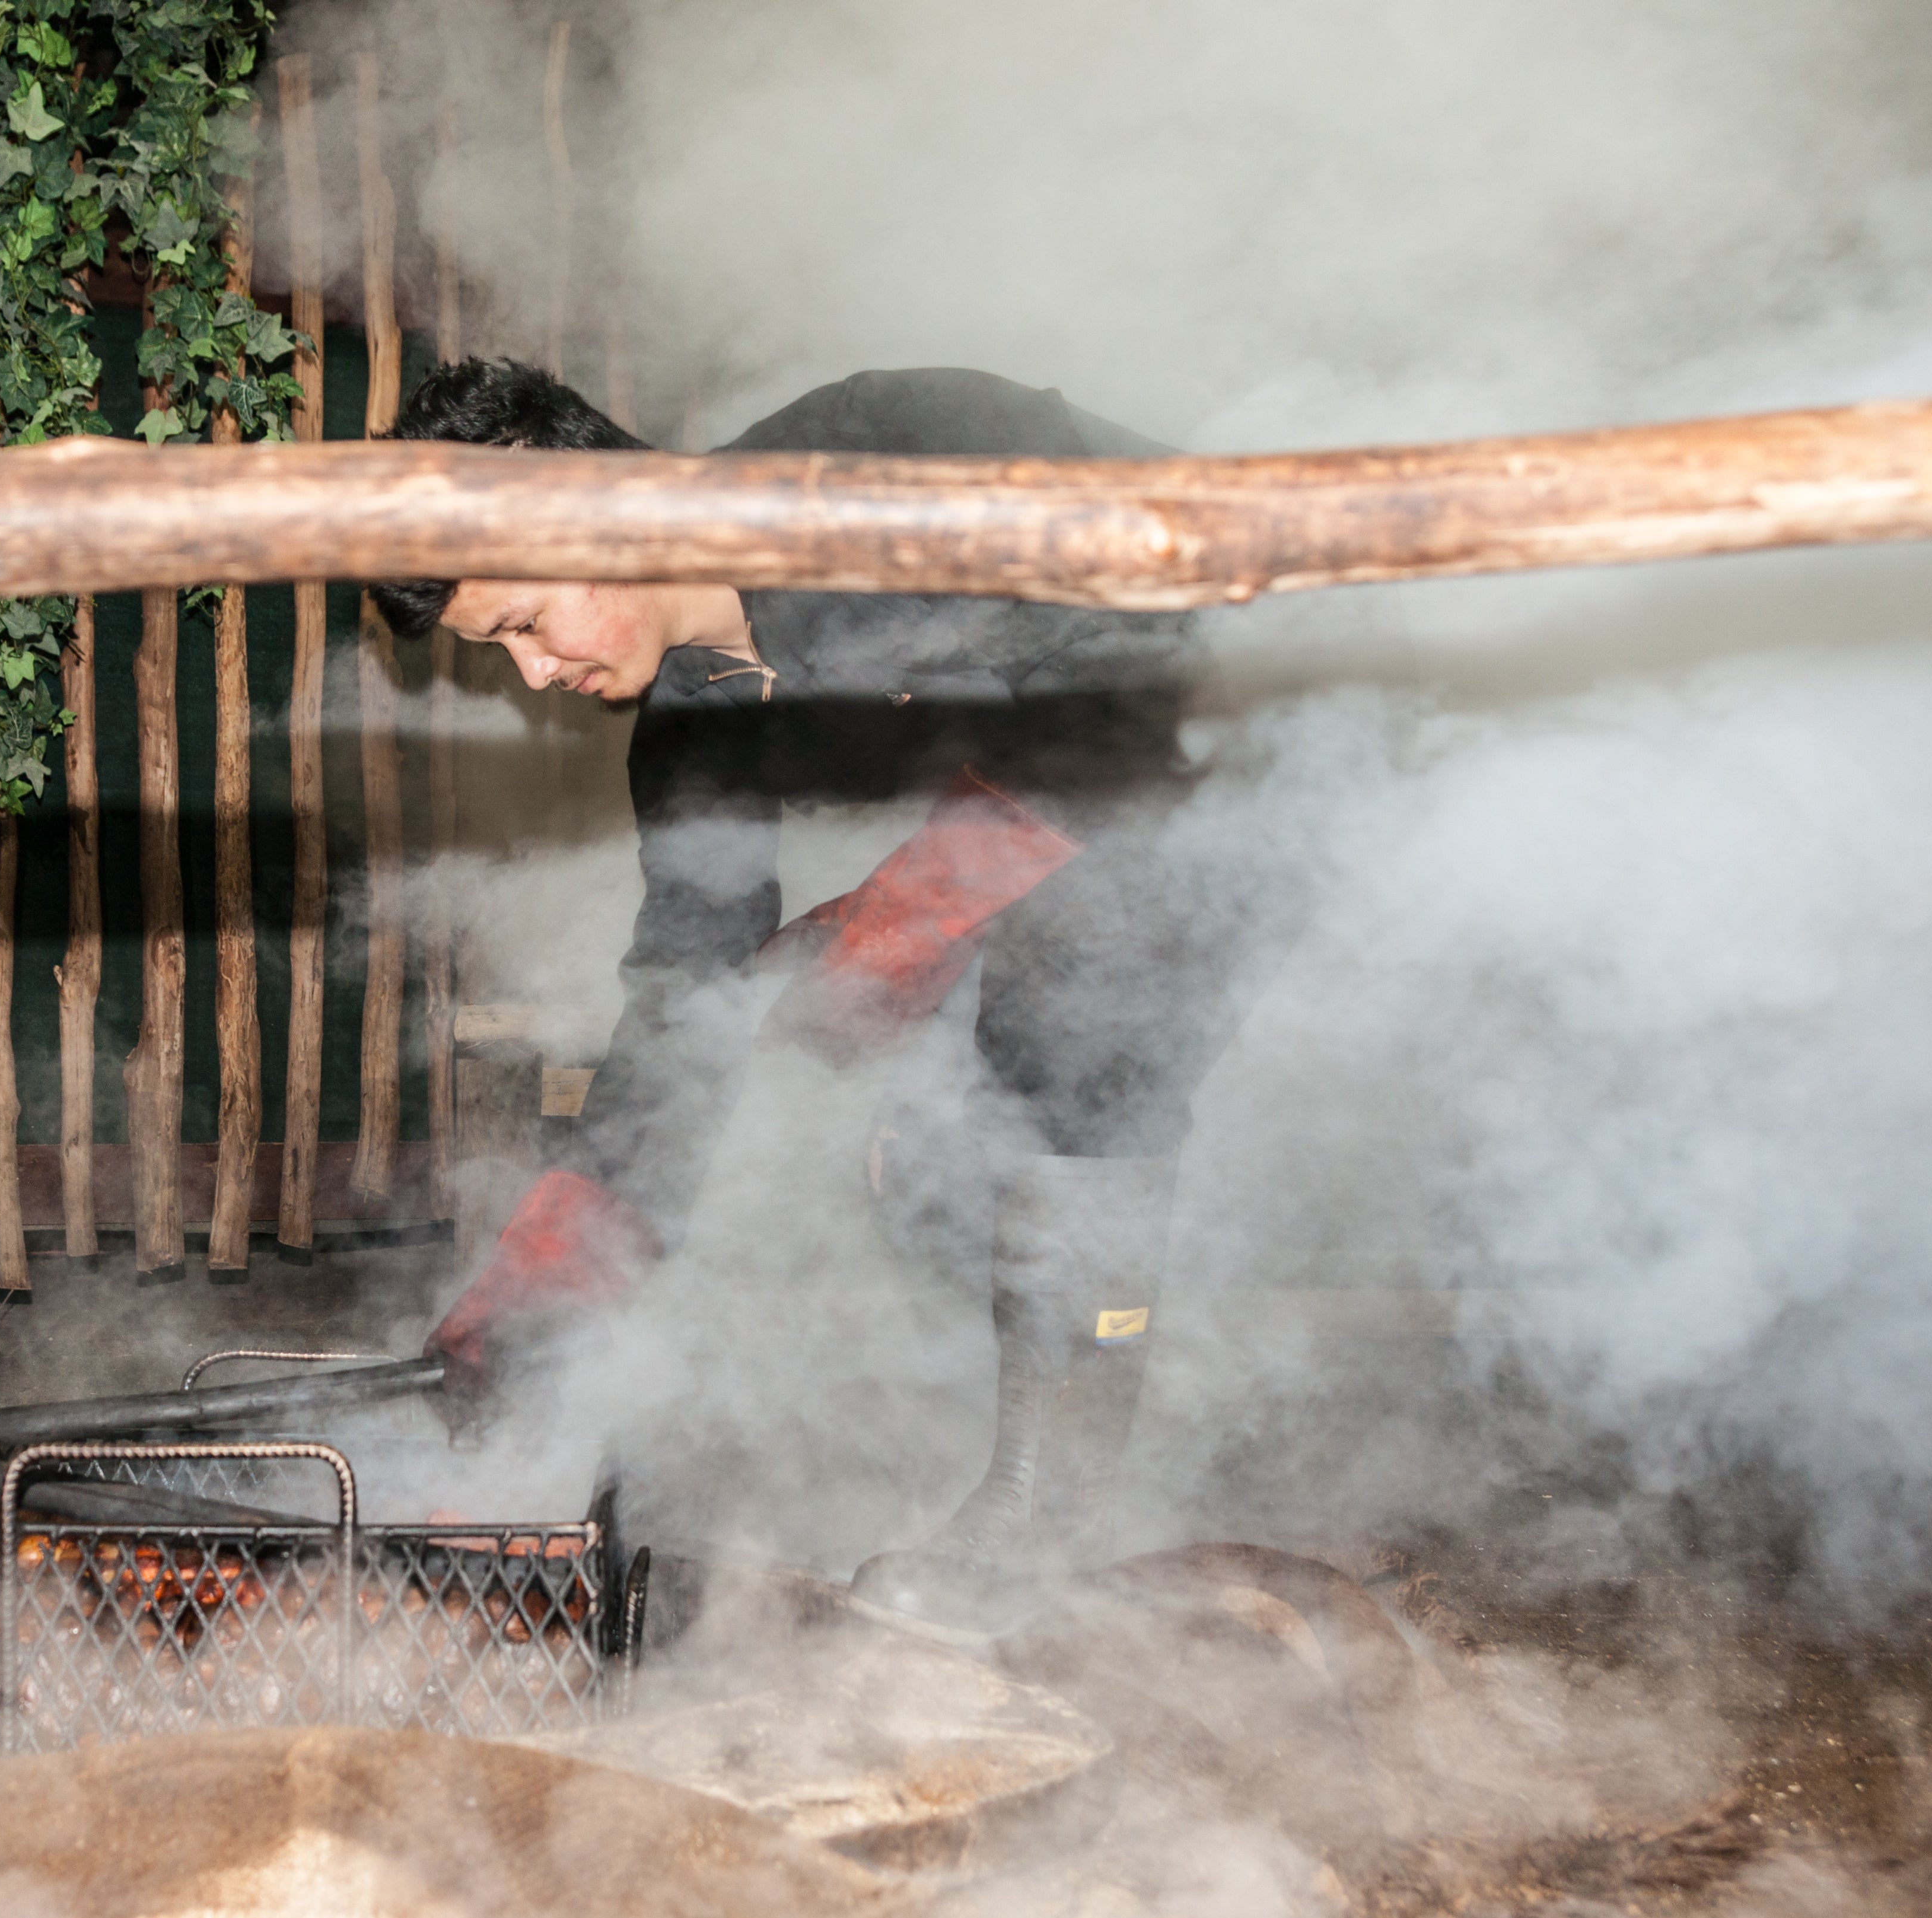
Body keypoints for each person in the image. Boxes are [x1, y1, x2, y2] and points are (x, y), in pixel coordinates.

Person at [371, 360, 1293, 1636]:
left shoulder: (893, 449)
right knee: (920, 1135)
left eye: (526, 622)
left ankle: (1043, 1520)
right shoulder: (692, 726)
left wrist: (904, 919)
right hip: (1083, 821)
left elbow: (1171, 663)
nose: (534, 676)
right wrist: (554, 1262)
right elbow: (687, 1003)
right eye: (499, 652)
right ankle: (1079, 1420)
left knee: (1078, 980)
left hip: (1294, 725)